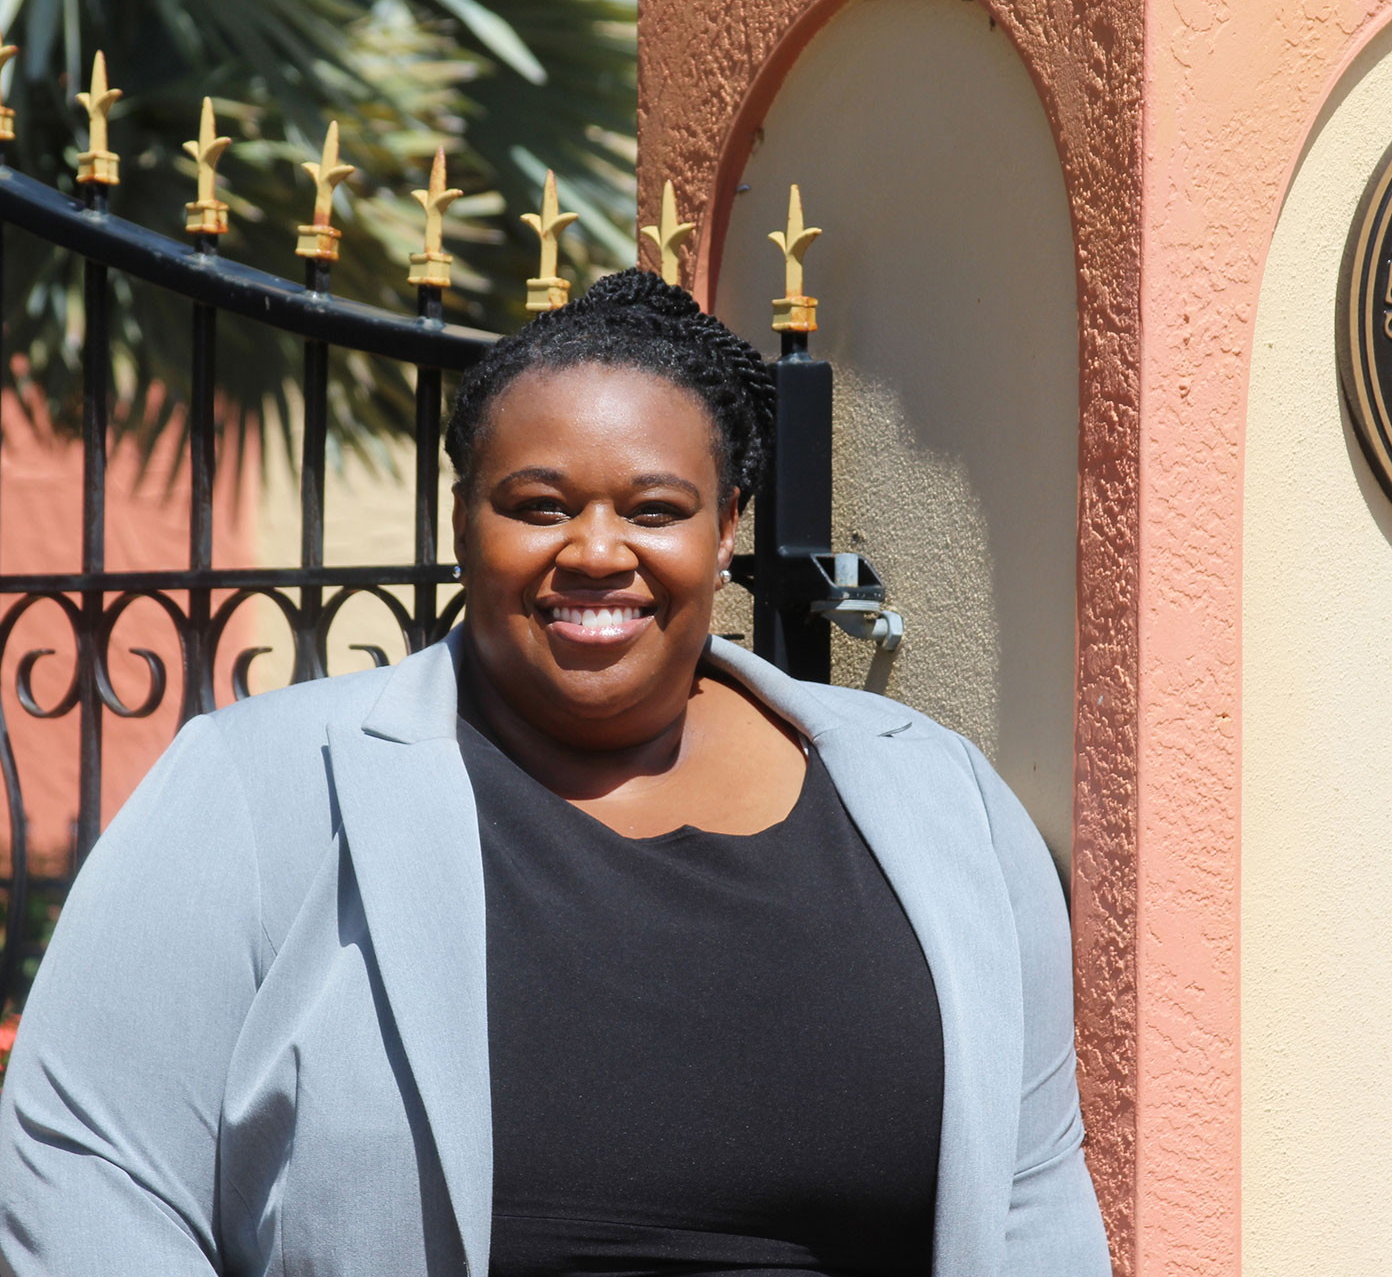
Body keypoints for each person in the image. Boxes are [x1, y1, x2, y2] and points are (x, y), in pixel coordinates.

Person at [0, 270, 1110, 1276]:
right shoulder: (258, 793)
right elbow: (97, 1179)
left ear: (727, 528)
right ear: (463, 523)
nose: (594, 549)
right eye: (537, 505)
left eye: (654, 508)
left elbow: (1030, 1205)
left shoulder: (938, 805)